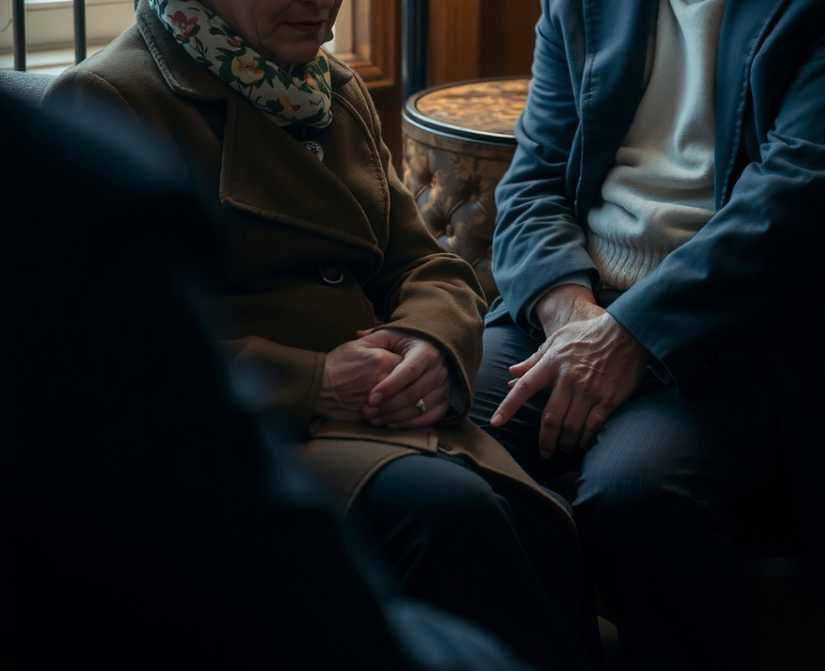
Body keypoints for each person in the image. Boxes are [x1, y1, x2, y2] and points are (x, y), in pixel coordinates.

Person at [40, 1, 595, 668]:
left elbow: (425, 263)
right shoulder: (106, 99)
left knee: (538, 522)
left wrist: (430, 341)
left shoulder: (329, 87)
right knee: (452, 515)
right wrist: (315, 381)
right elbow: (117, 353)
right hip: (250, 438)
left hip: (377, 408)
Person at [471, 0, 825, 669]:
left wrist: (628, 332)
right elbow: (532, 179)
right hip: (576, 300)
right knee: (442, 447)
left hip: (733, 331)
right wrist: (572, 316)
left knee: (634, 493)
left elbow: (798, 206)